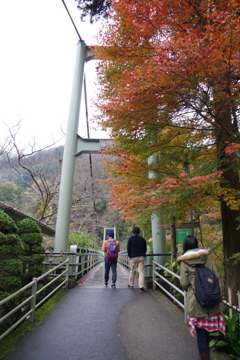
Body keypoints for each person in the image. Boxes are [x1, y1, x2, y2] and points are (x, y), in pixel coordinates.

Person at [178, 235, 225, 360]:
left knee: (201, 334)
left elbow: (183, 283)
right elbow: (216, 275)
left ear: (185, 246)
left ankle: (204, 357)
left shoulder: (184, 262)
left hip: (196, 301)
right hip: (211, 298)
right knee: (207, 334)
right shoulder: (206, 258)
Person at [127, 226, 147, 293]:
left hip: (133, 257)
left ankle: (131, 285)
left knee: (132, 271)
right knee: (141, 272)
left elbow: (128, 249)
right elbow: (145, 248)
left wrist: (130, 256)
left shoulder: (130, 239)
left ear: (132, 232)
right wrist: (143, 254)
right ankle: (141, 287)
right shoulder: (142, 239)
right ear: (139, 232)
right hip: (141, 257)